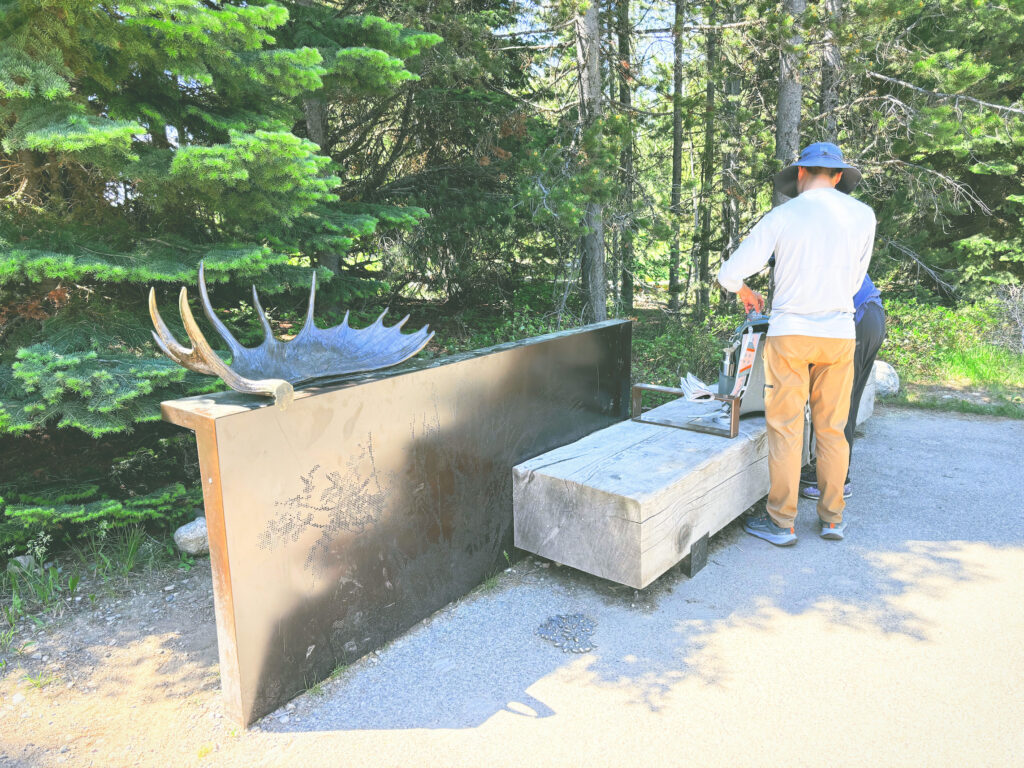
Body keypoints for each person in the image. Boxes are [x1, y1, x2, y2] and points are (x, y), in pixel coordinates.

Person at [717, 142, 875, 545]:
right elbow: (857, 282)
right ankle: (832, 518)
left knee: (786, 428)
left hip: (791, 333)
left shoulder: (784, 215)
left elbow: (731, 272)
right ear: (838, 176)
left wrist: (742, 290)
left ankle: (782, 521)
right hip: (840, 334)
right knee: (832, 428)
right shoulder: (863, 215)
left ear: (801, 173)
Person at [800, 274, 886, 500]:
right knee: (848, 399)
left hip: (859, 318)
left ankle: (838, 481)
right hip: (871, 314)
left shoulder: (806, 246)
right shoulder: (831, 240)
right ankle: (827, 471)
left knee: (839, 401)